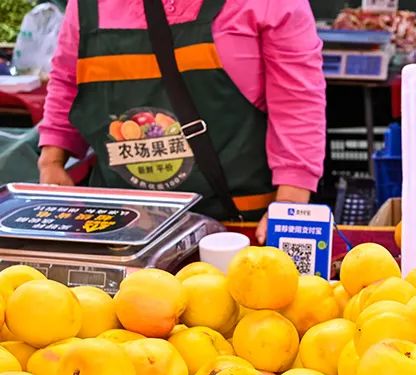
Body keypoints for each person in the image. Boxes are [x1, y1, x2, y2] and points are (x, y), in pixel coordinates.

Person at [37, 0, 326, 244]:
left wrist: (289, 204)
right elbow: (66, 79)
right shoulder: (88, 5)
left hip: (234, 231)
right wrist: (51, 161)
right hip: (121, 227)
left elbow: (297, 103)